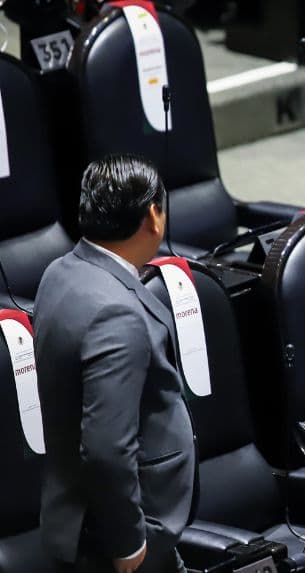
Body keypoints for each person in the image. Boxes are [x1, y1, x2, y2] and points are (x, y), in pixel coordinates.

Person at [35, 155, 195, 572]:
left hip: (75, 514)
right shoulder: (116, 313)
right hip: (118, 536)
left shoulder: (59, 272)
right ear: (153, 217)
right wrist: (128, 541)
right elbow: (106, 447)